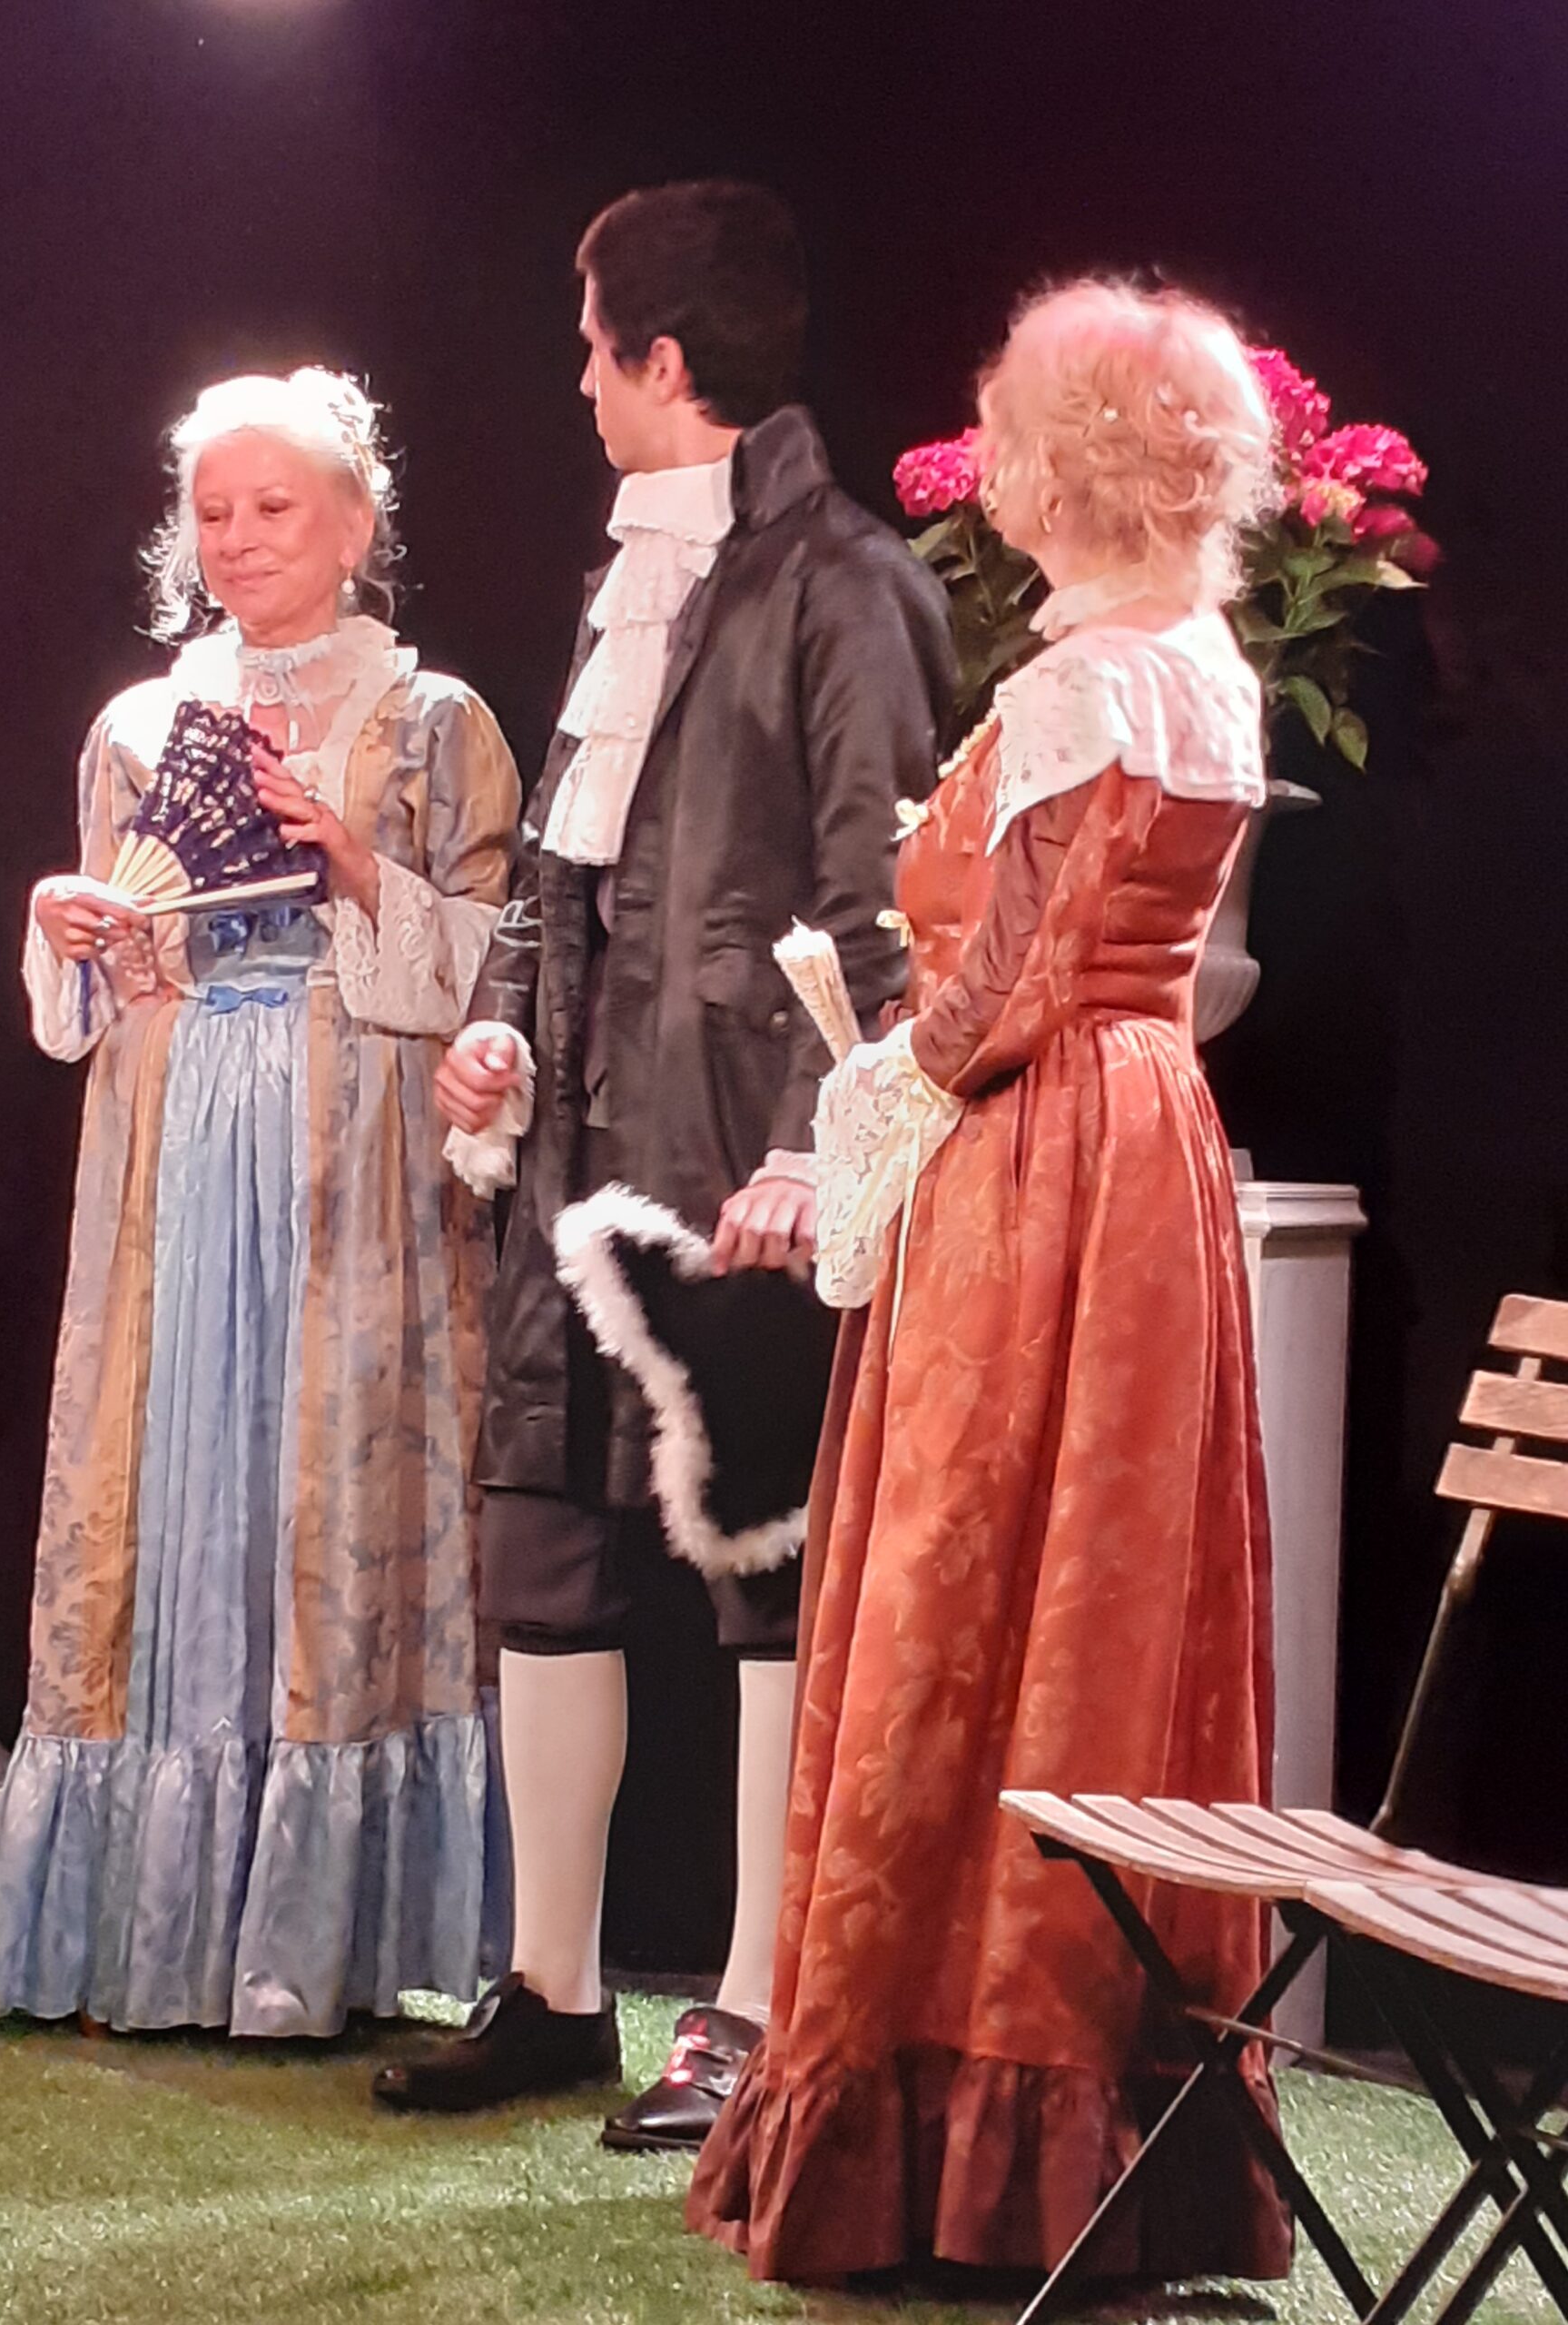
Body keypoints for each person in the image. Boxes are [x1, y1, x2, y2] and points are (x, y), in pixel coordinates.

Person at [688, 281, 1296, 2282]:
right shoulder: (1202, 667)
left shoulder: (1082, 687)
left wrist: (855, 1121)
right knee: (1098, 1579)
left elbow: (1009, 988)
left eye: (1013, 438)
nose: (994, 471)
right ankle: (1094, 2118)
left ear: (1061, 466)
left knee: (974, 1566)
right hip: (1147, 1143)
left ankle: (947, 2106)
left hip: (1039, 1157)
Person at [374, 182, 954, 2142]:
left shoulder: (847, 585)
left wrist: (814, 1148)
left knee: (762, 1573)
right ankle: (554, 1988)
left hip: (741, 1176)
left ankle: (760, 2009)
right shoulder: (630, 582)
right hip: (577, 1165)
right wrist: (498, 1029)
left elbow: (889, 907)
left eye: (593, 343)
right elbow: (564, 876)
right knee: (545, 1545)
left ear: (665, 357)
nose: (578, 379)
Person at [0, 368, 520, 2037]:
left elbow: (494, 963)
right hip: (176, 1152)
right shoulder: (141, 726)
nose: (239, 537)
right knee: (174, 1494)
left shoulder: (433, 721)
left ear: (355, 525)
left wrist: (352, 865)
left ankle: (317, 1942)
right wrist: (68, 924)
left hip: (351, 1151)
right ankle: (152, 1924)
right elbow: (99, 979)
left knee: (322, 1502)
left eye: (274, 506)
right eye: (213, 511)